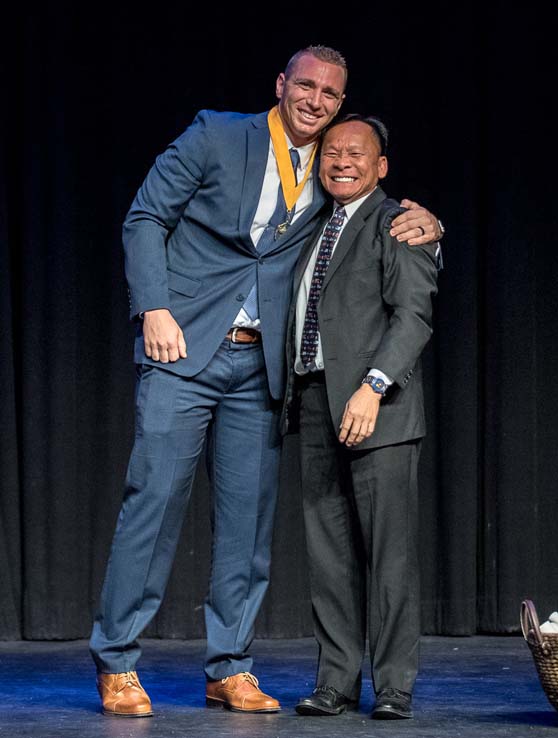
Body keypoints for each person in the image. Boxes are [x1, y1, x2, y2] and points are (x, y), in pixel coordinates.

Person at [89, 46, 444, 718]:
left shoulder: (335, 167)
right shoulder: (218, 134)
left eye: (329, 94)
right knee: (155, 501)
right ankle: (117, 661)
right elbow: (145, 216)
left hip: (262, 367)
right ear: (281, 84)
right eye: (304, 85)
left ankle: (230, 666)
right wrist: (154, 305)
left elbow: (375, 225)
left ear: (342, 104)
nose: (314, 101)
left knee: (248, 523)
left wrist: (434, 227)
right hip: (185, 345)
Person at [282, 114, 439, 720]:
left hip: (380, 407)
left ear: (381, 166)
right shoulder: (313, 226)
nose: (341, 161)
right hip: (317, 401)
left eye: (356, 153)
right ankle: (336, 681)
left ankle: (394, 686)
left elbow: (414, 316)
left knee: (390, 555)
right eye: (331, 152)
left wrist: (372, 387)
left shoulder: (397, 221)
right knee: (329, 554)